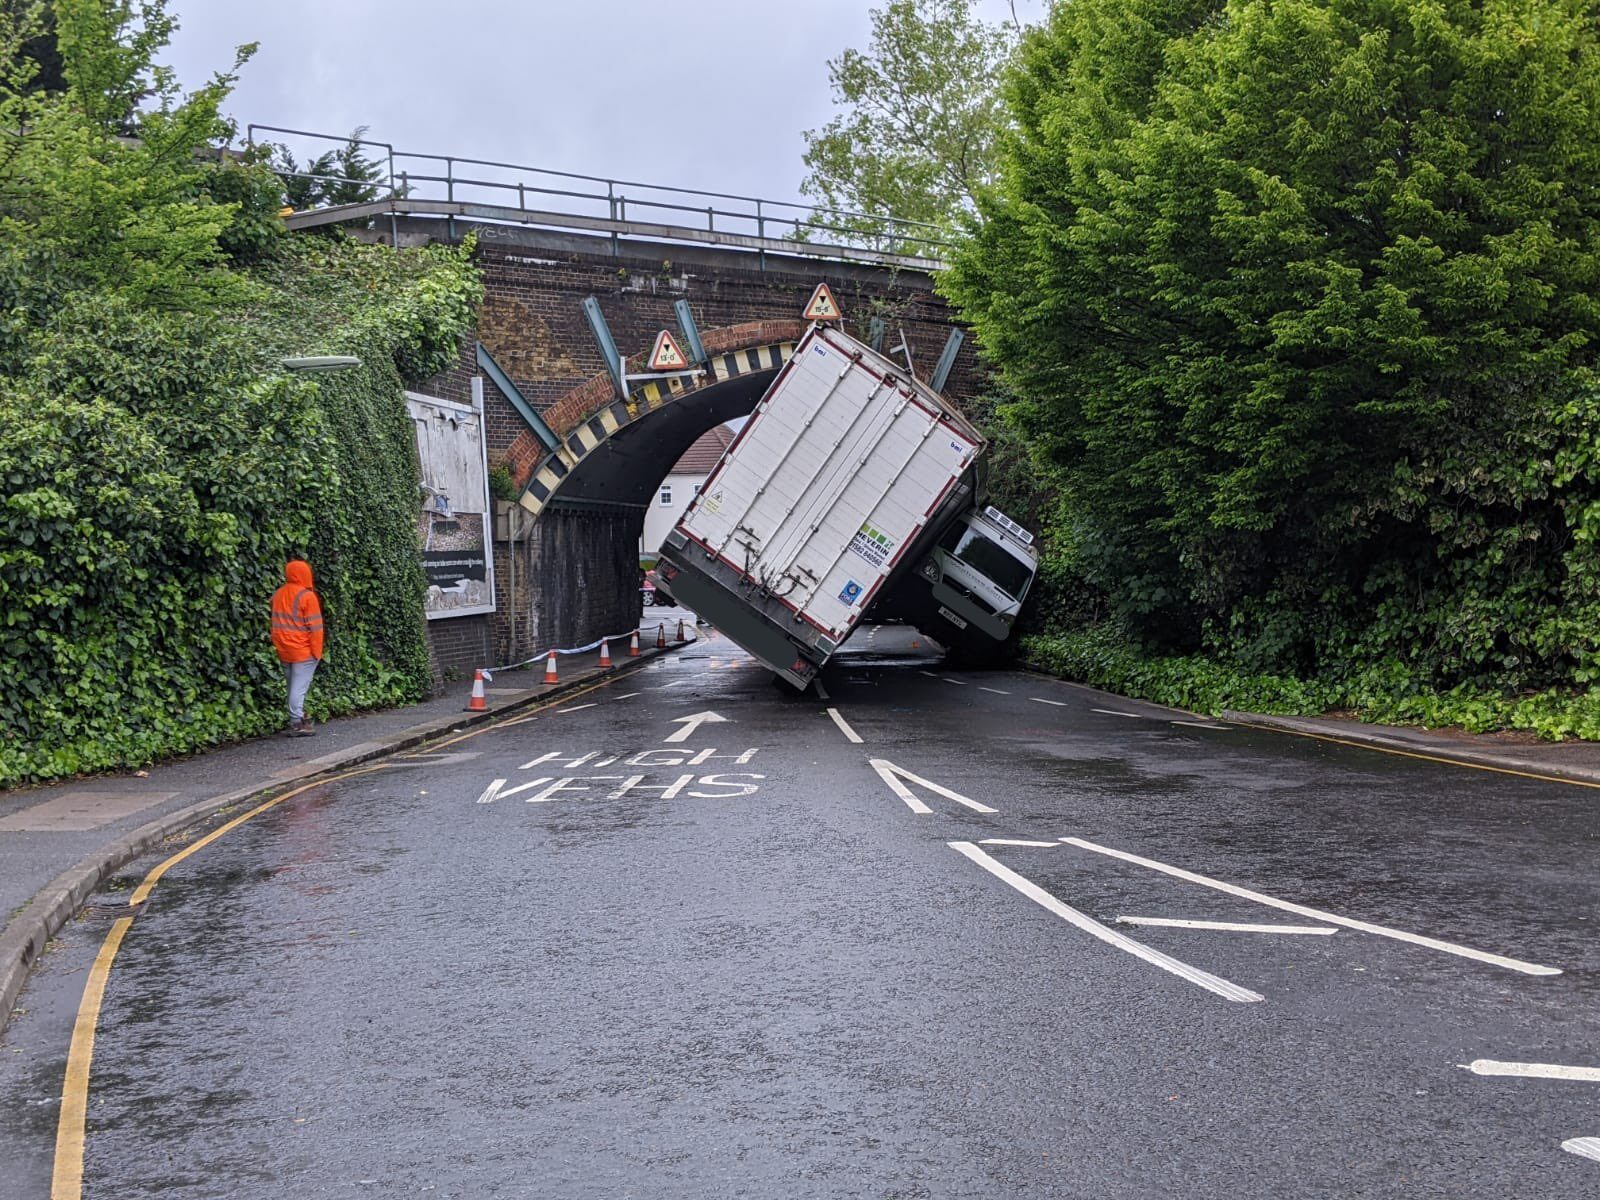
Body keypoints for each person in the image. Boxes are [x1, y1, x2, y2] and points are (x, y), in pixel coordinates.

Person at [270, 559, 325, 737]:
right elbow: (315, 629)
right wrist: (316, 652)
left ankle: (299, 715)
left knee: (292, 685)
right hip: (303, 649)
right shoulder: (307, 597)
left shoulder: (279, 594)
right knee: (298, 687)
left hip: (283, 648)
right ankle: (297, 721)